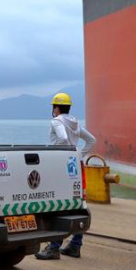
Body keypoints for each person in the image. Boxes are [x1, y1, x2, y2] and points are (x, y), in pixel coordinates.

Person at [36, 92, 96, 260]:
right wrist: (78, 155)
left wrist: (60, 155)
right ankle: (75, 246)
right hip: (75, 167)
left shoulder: (56, 121)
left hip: (60, 167)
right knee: (77, 204)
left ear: (56, 108)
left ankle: (54, 248)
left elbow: (62, 138)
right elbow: (92, 140)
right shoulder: (75, 123)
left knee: (58, 206)